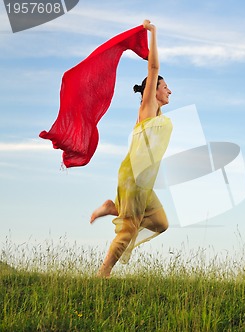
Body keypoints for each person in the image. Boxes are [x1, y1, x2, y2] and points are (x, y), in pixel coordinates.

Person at [90, 20, 173, 277]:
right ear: (153, 90)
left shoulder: (155, 114)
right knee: (129, 229)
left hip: (141, 180)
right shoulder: (147, 107)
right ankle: (103, 274)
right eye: (164, 86)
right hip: (134, 177)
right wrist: (154, 34)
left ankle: (116, 207)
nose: (169, 90)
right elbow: (154, 66)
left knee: (161, 222)